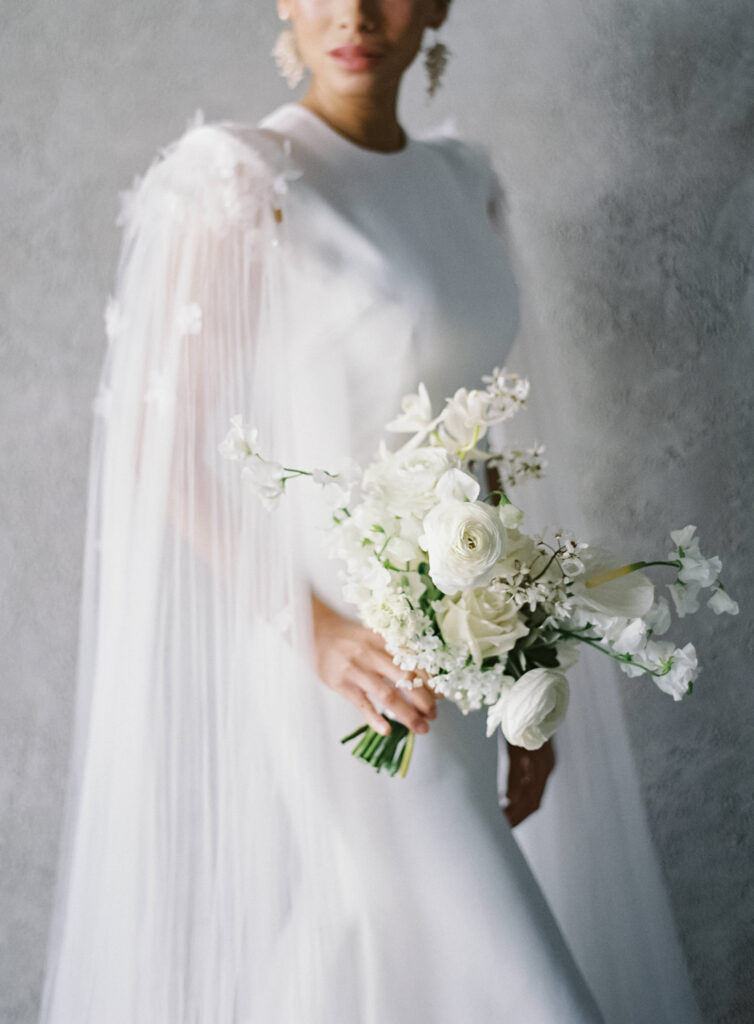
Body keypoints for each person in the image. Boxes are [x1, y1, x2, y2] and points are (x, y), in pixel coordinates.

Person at [39, 2, 700, 1022]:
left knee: (376, 950)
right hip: (343, 664)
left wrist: (521, 677)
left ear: (435, 5)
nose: (353, 12)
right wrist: (313, 629)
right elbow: (160, 445)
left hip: (462, 653)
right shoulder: (244, 177)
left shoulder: (462, 181)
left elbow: (480, 445)